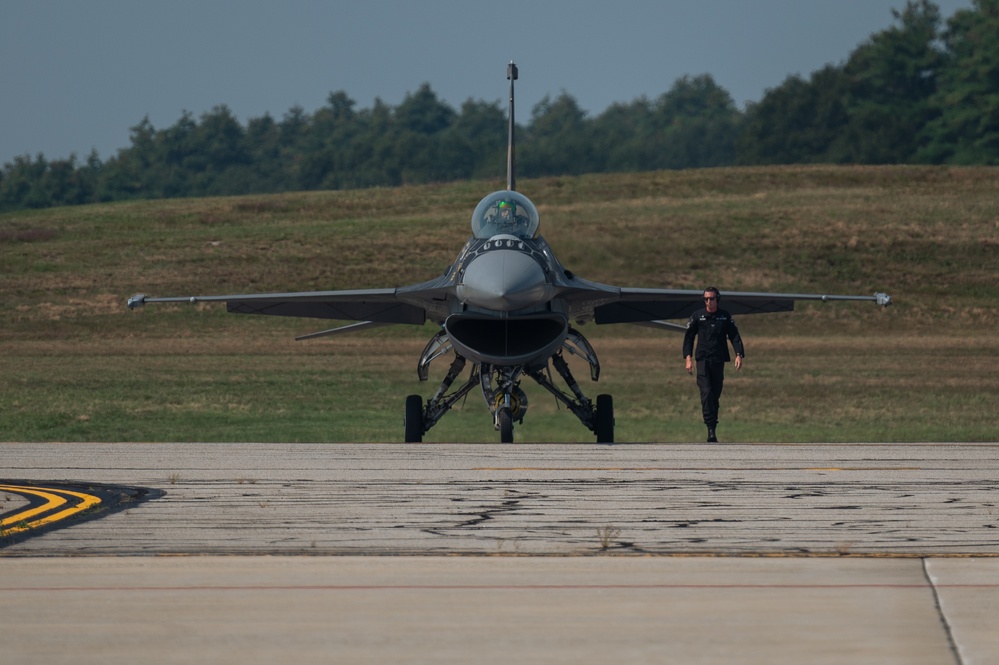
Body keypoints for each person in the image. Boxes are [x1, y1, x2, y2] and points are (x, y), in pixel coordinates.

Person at [682, 287, 745, 442]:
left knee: (715, 394)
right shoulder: (697, 316)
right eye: (706, 299)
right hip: (702, 359)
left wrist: (739, 354)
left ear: (717, 299)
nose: (708, 302)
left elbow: (734, 335)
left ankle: (713, 425)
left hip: (718, 360)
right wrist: (688, 358)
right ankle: (710, 428)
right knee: (707, 392)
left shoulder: (724, 316)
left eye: (711, 299)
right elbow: (689, 337)